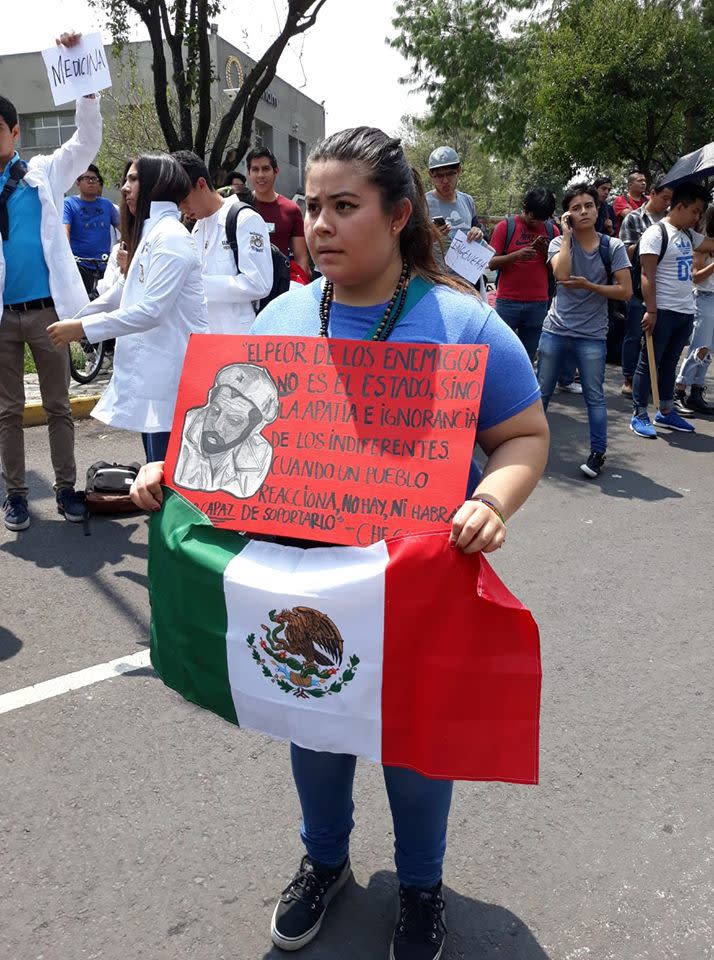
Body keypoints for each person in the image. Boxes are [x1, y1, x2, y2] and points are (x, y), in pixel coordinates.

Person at [130, 125, 549, 960]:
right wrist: (172, 476)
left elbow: (524, 436)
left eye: (344, 206)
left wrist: (493, 502)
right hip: (305, 579)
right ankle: (323, 862)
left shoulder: (464, 324)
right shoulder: (280, 316)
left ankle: (421, 887)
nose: (318, 223)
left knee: (416, 743)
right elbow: (229, 436)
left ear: (399, 216)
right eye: (313, 205)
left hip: (418, 586)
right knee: (313, 724)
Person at [0, 31, 101, 532]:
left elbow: (86, 143)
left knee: (59, 405)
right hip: (2, 318)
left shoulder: (42, 173)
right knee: (8, 411)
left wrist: (84, 88)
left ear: (15, 132)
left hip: (47, 314)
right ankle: (16, 496)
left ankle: (66, 488)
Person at [48, 154, 208, 462]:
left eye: (134, 179)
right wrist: (72, 319)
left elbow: (152, 310)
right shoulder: (151, 234)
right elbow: (122, 292)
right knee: (156, 469)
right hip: (154, 374)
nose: (124, 188)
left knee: (169, 474)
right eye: (126, 180)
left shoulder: (170, 238)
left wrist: (81, 328)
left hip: (174, 375)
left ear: (157, 184)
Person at [537, 182, 632, 478]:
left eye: (588, 205)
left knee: (595, 397)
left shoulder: (612, 246)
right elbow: (562, 274)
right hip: (556, 329)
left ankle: (597, 454)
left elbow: (626, 291)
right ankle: (527, 450)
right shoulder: (558, 243)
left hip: (592, 334)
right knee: (541, 394)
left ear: (597, 207)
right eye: (576, 208)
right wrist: (566, 236)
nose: (584, 212)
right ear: (567, 215)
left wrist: (591, 286)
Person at [629, 181, 714, 438]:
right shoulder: (656, 233)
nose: (697, 217)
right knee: (648, 363)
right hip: (662, 311)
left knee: (669, 363)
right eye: (695, 211)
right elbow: (647, 275)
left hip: (685, 312)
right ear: (680, 206)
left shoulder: (688, 235)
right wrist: (652, 311)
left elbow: (710, 244)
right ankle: (639, 414)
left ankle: (665, 411)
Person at [173, 150, 272, 335]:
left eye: (184, 200)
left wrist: (196, 284)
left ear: (201, 184)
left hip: (237, 336)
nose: (183, 209)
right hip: (204, 336)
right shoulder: (198, 227)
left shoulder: (244, 219)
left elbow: (259, 283)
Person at [174, 362, 278, 496]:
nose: (217, 425)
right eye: (215, 410)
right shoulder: (181, 427)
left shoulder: (259, 453)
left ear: (252, 430)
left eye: (234, 421)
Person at [488, 187, 559, 363]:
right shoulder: (505, 227)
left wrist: (547, 253)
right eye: (531, 216)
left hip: (538, 303)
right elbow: (490, 263)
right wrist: (516, 256)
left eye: (540, 219)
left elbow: (559, 270)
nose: (534, 222)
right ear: (525, 207)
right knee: (500, 352)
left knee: (528, 356)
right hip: (507, 301)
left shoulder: (553, 232)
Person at [618, 178, 673, 396]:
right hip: (637, 284)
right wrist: (647, 242)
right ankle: (629, 377)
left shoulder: (670, 222)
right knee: (633, 332)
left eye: (670, 200)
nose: (667, 204)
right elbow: (623, 252)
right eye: (664, 198)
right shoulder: (633, 218)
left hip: (663, 284)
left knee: (659, 332)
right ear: (652, 193)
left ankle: (651, 375)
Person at [247, 146, 310, 278]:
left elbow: (301, 258)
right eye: (255, 169)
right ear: (248, 173)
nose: (260, 175)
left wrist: (297, 287)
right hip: (245, 288)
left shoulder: (291, 209)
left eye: (265, 169)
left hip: (281, 286)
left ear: (276, 171)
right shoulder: (239, 206)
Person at [674, 204, 714, 415]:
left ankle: (696, 392)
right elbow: (696, 276)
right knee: (699, 347)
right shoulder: (702, 243)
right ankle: (680, 389)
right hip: (705, 298)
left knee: (708, 351)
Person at [425, 145, 486, 270]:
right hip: (437, 280)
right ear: (430, 175)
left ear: (459, 170)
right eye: (439, 176)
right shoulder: (422, 203)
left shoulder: (468, 201)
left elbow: (477, 227)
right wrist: (431, 235)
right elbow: (410, 245)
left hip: (467, 277)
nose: (445, 181)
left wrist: (478, 232)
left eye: (450, 174)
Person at [63, 162, 119, 288]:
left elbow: (124, 229)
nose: (91, 181)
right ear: (77, 182)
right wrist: (66, 258)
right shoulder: (69, 204)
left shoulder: (107, 205)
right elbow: (64, 230)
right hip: (79, 266)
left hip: (105, 266)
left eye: (94, 178)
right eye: (86, 178)